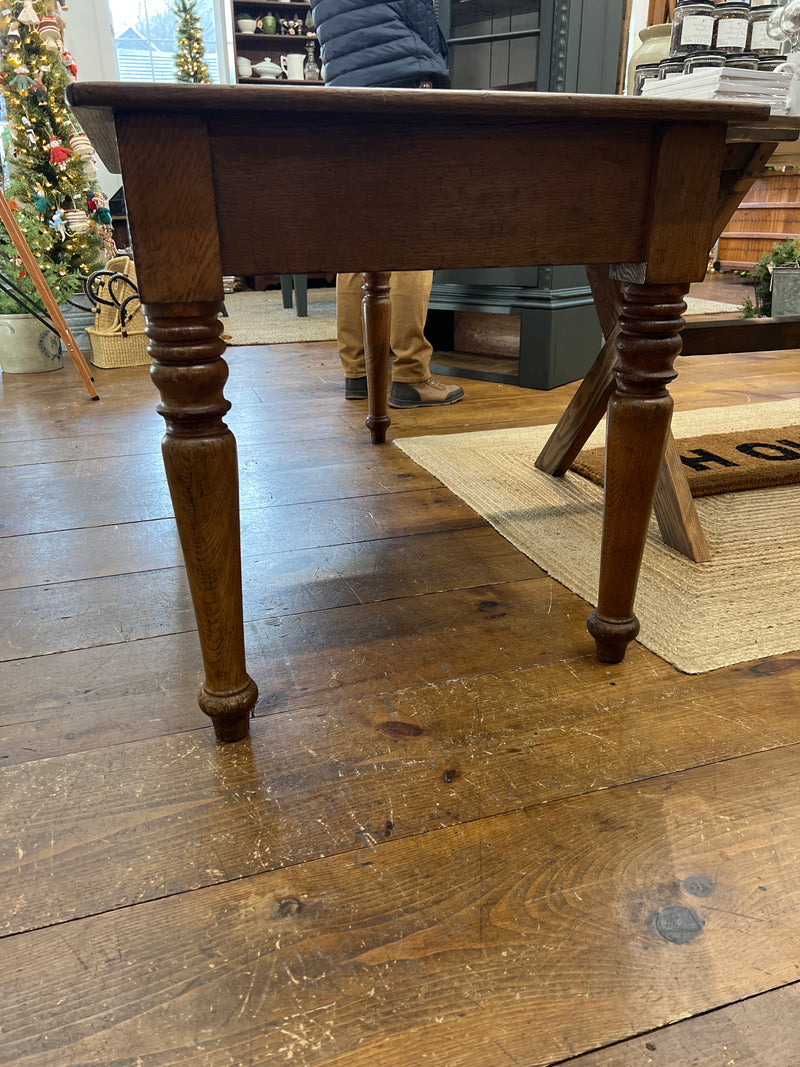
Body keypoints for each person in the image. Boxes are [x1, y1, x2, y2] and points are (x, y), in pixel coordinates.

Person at [308, 0, 465, 408]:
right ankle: (410, 375)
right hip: (402, 89)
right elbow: (423, 24)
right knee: (412, 239)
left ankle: (358, 373)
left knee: (358, 241)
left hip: (345, 95)